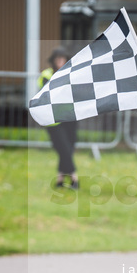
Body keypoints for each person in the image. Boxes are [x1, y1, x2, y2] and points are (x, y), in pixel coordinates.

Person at [40, 47, 79, 189]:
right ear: (53, 61)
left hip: (70, 117)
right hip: (54, 120)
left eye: (63, 59)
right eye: (58, 59)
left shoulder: (71, 74)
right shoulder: (47, 75)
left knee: (68, 148)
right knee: (64, 149)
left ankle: (60, 179)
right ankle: (74, 178)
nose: (60, 62)